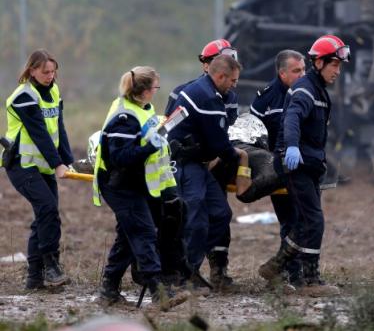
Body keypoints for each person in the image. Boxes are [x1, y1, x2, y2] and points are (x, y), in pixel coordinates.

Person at [259, 35, 350, 297]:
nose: (338, 71)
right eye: (334, 65)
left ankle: (277, 265)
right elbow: (292, 118)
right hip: (295, 164)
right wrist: (292, 146)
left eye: (339, 66)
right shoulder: (305, 89)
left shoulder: (317, 89)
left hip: (309, 165)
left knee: (304, 221)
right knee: (314, 220)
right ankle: (310, 280)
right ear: (319, 62)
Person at [92, 66, 187, 310]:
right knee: (144, 232)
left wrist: (161, 132)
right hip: (119, 184)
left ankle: (109, 290)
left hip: (135, 182)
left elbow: (143, 137)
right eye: (155, 87)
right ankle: (158, 293)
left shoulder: (142, 108)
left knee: (128, 235)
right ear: (144, 90)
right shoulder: (124, 118)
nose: (157, 91)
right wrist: (149, 147)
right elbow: (120, 157)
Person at [167, 54, 246, 291]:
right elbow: (219, 144)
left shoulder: (202, 90)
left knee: (221, 213)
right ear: (220, 76)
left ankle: (189, 268)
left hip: (199, 163)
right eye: (232, 80)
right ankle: (182, 274)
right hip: (185, 164)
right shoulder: (207, 97)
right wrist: (242, 157)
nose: (234, 85)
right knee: (196, 219)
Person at [2, 49, 73, 290]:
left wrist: (68, 160)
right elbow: (39, 133)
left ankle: (34, 279)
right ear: (32, 70)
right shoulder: (24, 96)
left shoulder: (53, 90)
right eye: (45, 72)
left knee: (44, 216)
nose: (50, 76)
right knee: (48, 209)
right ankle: (51, 266)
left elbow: (58, 128)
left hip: (41, 165)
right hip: (21, 164)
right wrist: (58, 165)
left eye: (53, 72)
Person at [250, 50, 306, 284]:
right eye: (296, 71)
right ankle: (292, 273)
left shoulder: (309, 92)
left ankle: (297, 269)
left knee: (308, 220)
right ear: (282, 73)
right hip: (279, 169)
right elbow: (252, 134)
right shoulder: (265, 98)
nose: (302, 75)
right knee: (290, 220)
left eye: (304, 70)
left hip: (305, 167)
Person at [165, 39, 239, 128]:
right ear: (206, 66)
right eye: (223, 66)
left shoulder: (231, 98)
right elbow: (168, 129)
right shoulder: (180, 93)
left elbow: (230, 131)